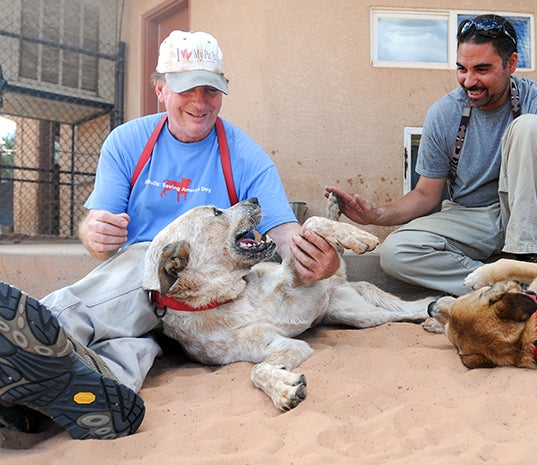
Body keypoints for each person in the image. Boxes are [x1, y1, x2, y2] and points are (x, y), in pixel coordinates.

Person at [0, 30, 339, 439]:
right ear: (161, 90)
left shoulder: (246, 154)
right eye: (186, 89)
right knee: (137, 329)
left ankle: (35, 341)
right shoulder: (127, 142)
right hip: (142, 294)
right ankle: (68, 392)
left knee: (149, 290)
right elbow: (95, 230)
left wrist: (310, 255)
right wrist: (94, 233)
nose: (200, 101)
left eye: (211, 90)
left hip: (210, 304)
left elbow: (283, 231)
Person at [325, 14, 537, 297]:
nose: (469, 81)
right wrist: (375, 215)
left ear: (512, 63)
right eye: (462, 69)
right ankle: (512, 290)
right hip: (471, 217)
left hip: (533, 213)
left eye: (482, 69)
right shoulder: (443, 113)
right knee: (396, 252)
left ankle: (524, 261)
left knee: (529, 127)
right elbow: (425, 194)